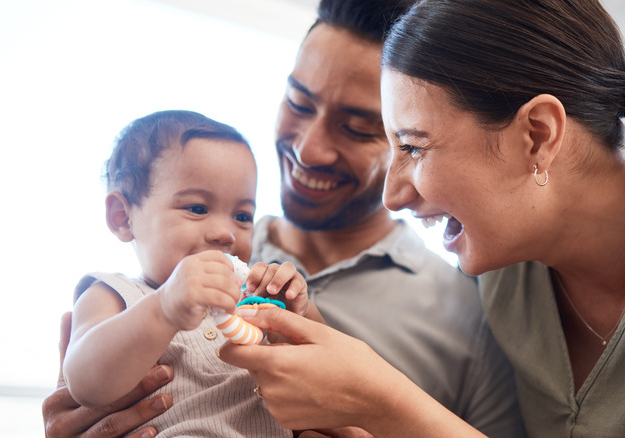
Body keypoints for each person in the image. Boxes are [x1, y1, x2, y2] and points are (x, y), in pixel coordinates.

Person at [216, 0, 625, 436]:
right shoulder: (505, 272)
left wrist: (383, 402)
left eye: (414, 147)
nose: (393, 196)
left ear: (538, 135)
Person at [42, 1, 526, 437]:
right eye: (298, 103)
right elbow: (88, 383)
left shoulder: (471, 313)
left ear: (408, 141)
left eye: (357, 128)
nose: (308, 149)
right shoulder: (148, 283)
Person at [62, 110, 319, 437]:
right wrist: (164, 308)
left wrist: (299, 313)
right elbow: (86, 383)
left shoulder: (253, 301)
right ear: (123, 217)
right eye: (197, 208)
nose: (226, 233)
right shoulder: (113, 294)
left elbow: (332, 370)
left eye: (242, 216)